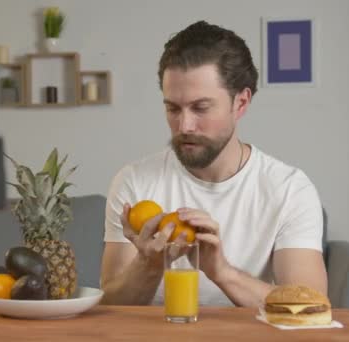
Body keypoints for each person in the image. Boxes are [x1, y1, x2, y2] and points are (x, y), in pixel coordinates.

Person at [99, 20, 327, 307]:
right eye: (173, 108)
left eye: (201, 108)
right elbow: (110, 307)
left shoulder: (289, 189)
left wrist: (222, 272)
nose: (184, 125)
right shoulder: (134, 181)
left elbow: (311, 306)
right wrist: (149, 263)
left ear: (241, 103)